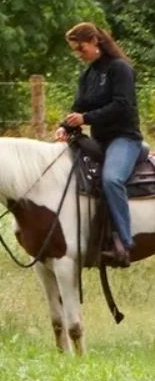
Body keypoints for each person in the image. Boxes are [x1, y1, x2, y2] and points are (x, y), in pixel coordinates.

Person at [59, 21, 143, 268]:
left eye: (81, 48)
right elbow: (79, 106)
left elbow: (122, 105)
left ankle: (125, 243)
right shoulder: (88, 74)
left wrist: (86, 119)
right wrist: (66, 125)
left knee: (111, 180)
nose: (79, 54)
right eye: (75, 50)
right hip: (100, 140)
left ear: (95, 41)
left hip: (125, 138)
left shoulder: (120, 69)